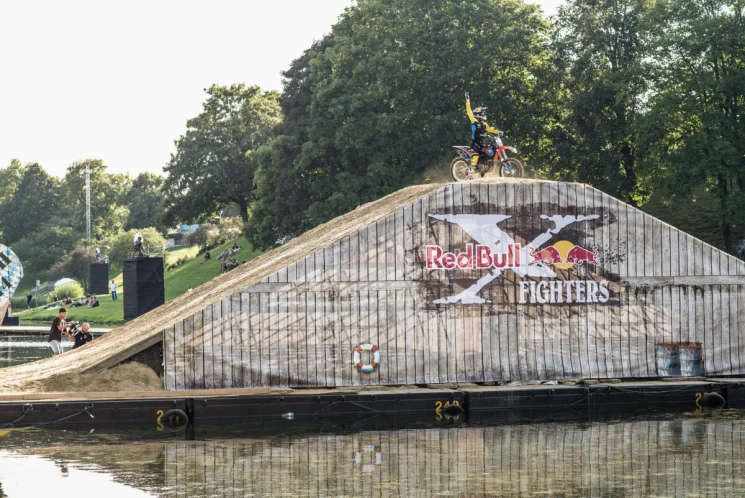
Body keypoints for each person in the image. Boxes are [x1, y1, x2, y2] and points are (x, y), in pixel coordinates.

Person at [465, 92, 502, 168]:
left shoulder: (484, 124)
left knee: (489, 153)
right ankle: (471, 170)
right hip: (475, 143)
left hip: (481, 143)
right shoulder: (474, 121)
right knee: (476, 155)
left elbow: (490, 129)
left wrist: (498, 132)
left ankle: (484, 167)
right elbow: (469, 111)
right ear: (478, 114)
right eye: (482, 113)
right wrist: (467, 99)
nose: (484, 115)